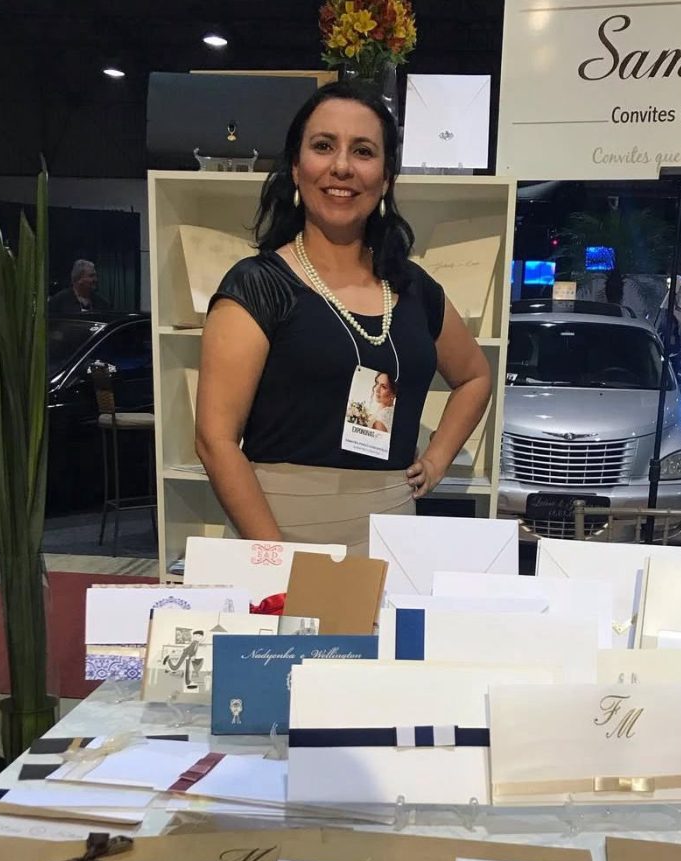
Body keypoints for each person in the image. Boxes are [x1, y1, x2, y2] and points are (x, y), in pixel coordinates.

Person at [194, 80, 492, 553]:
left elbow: (475, 377)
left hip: (392, 535)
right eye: (323, 146)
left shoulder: (414, 290)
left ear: (386, 177)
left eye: (363, 151)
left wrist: (436, 460)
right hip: (276, 533)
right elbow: (215, 440)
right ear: (296, 167)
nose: (342, 166)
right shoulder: (258, 286)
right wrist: (278, 558)